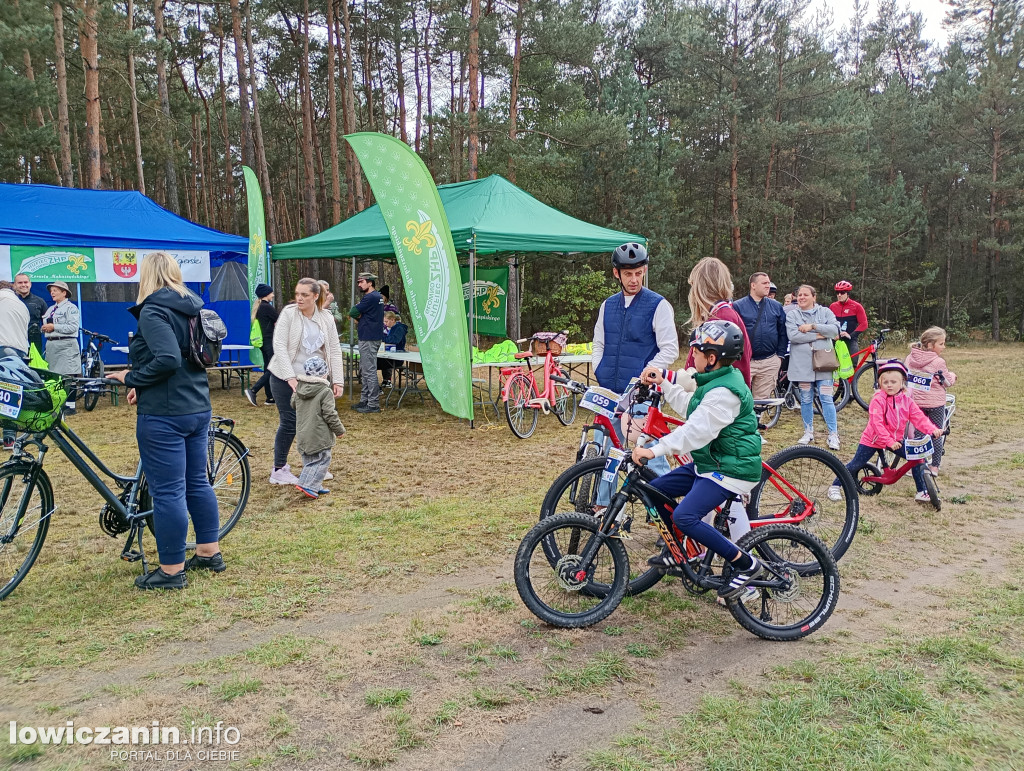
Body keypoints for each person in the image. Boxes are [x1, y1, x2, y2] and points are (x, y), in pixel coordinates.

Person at [105, 252, 223, 590]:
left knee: (168, 491)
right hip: (196, 405)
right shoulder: (191, 306)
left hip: (165, 415)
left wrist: (131, 376)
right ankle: (208, 552)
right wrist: (142, 385)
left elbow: (168, 359)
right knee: (196, 483)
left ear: (147, 276)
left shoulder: (154, 309)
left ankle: (171, 570)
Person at [632, 320, 765, 600]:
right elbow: (691, 408)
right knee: (656, 491)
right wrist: (665, 385)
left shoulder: (724, 393)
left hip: (731, 469)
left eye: (697, 352)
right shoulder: (714, 381)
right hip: (713, 462)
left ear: (712, 358)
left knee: (685, 515)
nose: (692, 357)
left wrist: (654, 451)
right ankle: (682, 551)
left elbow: (694, 432)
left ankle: (746, 564)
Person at [591, 243, 679, 502]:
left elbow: (670, 349)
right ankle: (602, 507)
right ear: (616, 273)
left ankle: (665, 507)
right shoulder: (607, 305)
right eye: (628, 274)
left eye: (639, 273)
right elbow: (599, 343)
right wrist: (599, 368)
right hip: (609, 391)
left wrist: (647, 374)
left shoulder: (658, 305)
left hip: (641, 394)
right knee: (605, 452)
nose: (634, 279)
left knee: (652, 453)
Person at [828, 359, 943, 504]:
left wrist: (932, 429)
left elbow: (918, 417)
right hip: (874, 439)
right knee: (856, 463)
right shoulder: (878, 399)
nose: (889, 385)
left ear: (902, 383)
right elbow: (877, 424)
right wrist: (889, 441)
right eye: (885, 382)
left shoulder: (906, 400)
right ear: (880, 383)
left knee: (917, 457)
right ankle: (835, 486)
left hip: (895, 440)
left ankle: (922, 491)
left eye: (893, 382)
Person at [266, 278, 346, 485]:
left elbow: (334, 350)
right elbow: (280, 346)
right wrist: (289, 377)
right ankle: (279, 469)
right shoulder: (289, 314)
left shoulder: (326, 318)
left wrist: (338, 380)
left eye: (305, 295)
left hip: (315, 381)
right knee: (290, 422)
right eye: (297, 294)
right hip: (285, 377)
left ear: (316, 296)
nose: (299, 298)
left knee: (316, 424)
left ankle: (315, 466)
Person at [786, 285, 841, 449]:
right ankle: (808, 432)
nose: (801, 297)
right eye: (799, 295)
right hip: (802, 365)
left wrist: (814, 327)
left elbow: (834, 330)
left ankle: (833, 435)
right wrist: (819, 335)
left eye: (805, 294)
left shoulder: (825, 312)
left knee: (826, 398)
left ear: (813, 297)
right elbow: (793, 336)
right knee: (806, 399)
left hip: (824, 363)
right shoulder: (792, 315)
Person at [684, 257, 752, 386]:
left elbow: (716, 368)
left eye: (693, 286)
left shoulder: (721, 321)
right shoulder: (722, 315)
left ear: (701, 287)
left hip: (717, 398)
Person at [292, 355, 346, 499]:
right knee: (321, 460)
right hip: (319, 435)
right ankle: (307, 485)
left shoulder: (299, 387)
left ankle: (315, 484)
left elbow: (293, 403)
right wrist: (339, 430)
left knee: (309, 460)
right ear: (324, 374)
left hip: (303, 433)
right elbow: (330, 414)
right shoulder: (324, 391)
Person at [905, 327, 956, 477]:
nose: (944, 347)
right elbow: (946, 382)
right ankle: (934, 466)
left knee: (919, 435)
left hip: (916, 403)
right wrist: (953, 376)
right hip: (935, 404)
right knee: (936, 433)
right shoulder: (938, 362)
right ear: (930, 345)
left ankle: (918, 464)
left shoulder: (910, 358)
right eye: (941, 344)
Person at [733, 272, 787, 400]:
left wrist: (779, 356)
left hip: (769, 361)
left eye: (768, 283)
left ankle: (758, 420)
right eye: (764, 283)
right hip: (746, 361)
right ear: (753, 285)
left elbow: (783, 332)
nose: (768, 286)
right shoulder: (738, 306)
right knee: (739, 398)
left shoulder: (776, 306)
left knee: (761, 402)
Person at [41, 280, 81, 415]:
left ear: (64, 293)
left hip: (66, 345)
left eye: (55, 290)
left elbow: (73, 327)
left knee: (68, 376)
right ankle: (58, 404)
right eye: (51, 290)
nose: (52, 293)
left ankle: (70, 406)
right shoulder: (50, 310)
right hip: (52, 345)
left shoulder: (71, 308)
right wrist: (45, 329)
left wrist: (54, 327)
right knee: (54, 376)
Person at [0, 280, 31, 449]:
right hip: (19, 351)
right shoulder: (21, 305)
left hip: (2, 347)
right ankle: (9, 438)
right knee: (9, 395)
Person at [348, 272, 385, 413]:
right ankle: (365, 400)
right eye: (358, 282)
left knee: (369, 371)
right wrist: (362, 316)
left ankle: (373, 404)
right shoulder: (378, 297)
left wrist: (359, 317)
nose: (359, 284)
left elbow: (352, 312)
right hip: (371, 336)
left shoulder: (369, 297)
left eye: (362, 282)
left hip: (368, 337)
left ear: (370, 283)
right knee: (365, 370)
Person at [245, 283, 279, 407]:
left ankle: (270, 397)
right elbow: (280, 320)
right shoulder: (267, 307)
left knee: (267, 367)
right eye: (271, 293)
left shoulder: (259, 307)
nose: (273, 295)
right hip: (270, 341)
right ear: (266, 294)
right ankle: (253, 390)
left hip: (263, 342)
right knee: (273, 368)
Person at [830, 280, 868, 352]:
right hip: (835, 340)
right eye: (837, 292)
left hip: (850, 340)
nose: (839, 295)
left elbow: (864, 324)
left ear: (848, 294)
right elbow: (828, 323)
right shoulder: (833, 306)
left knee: (852, 362)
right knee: (831, 362)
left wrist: (851, 335)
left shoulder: (856, 306)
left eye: (842, 292)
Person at [13, 273, 46, 354]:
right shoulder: (9, 301)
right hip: (13, 341)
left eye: (26, 282)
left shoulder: (40, 302)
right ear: (14, 285)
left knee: (34, 366)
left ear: (30, 284)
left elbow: (47, 324)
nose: (23, 285)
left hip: (35, 342)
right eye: (20, 283)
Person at [379, 311, 408, 389]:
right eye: (384, 322)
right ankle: (378, 384)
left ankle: (376, 386)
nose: (385, 323)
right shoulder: (392, 328)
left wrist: (381, 337)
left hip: (397, 358)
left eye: (386, 321)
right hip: (390, 356)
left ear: (392, 320)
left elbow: (394, 340)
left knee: (372, 363)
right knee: (372, 361)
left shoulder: (399, 328)